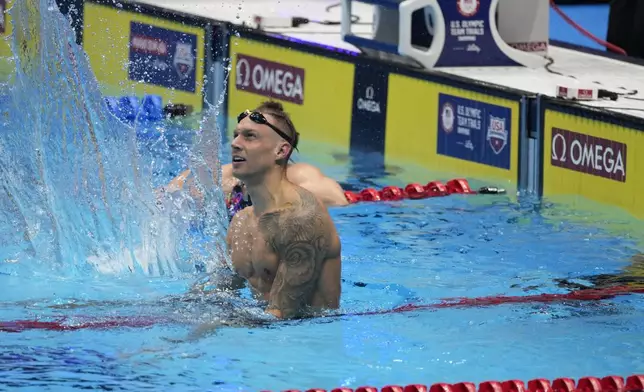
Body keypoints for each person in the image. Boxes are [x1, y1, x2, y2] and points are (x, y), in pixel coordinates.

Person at [219, 101, 342, 320]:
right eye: (236, 135)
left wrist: (196, 334)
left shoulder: (302, 219)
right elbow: (218, 295)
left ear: (281, 150)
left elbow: (280, 315)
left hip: (306, 344)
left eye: (250, 136)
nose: (235, 144)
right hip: (262, 338)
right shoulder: (240, 221)